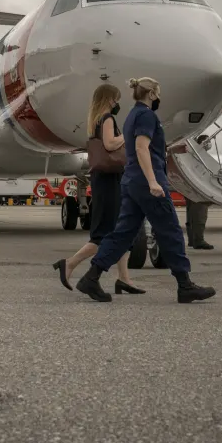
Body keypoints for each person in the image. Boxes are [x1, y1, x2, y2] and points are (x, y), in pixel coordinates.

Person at [75, 77, 216, 304]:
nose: (159, 97)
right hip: (145, 181)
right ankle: (185, 285)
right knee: (170, 230)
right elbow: (141, 148)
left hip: (131, 180)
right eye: (158, 93)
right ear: (151, 94)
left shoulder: (132, 116)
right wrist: (153, 181)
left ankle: (91, 276)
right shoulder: (146, 116)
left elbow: (140, 146)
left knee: (122, 234)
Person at [52, 83, 145, 295]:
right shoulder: (107, 119)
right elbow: (110, 144)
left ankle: (124, 278)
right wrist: (129, 134)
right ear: (108, 99)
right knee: (104, 234)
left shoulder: (96, 120)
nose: (117, 103)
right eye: (116, 99)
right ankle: (70, 263)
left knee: (121, 230)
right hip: (109, 179)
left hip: (106, 178)